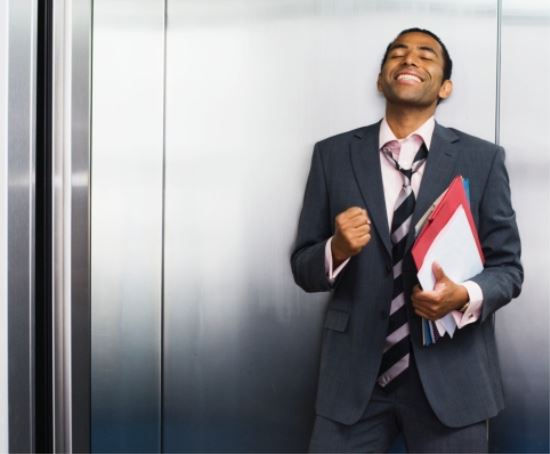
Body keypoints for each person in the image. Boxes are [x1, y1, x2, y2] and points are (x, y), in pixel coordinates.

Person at [290, 28, 523, 453]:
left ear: (445, 86)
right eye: (398, 53)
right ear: (381, 80)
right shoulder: (333, 155)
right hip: (353, 381)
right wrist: (336, 249)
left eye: (426, 55)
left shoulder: (483, 159)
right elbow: (303, 267)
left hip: (453, 378)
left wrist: (464, 296)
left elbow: (508, 269)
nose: (410, 59)